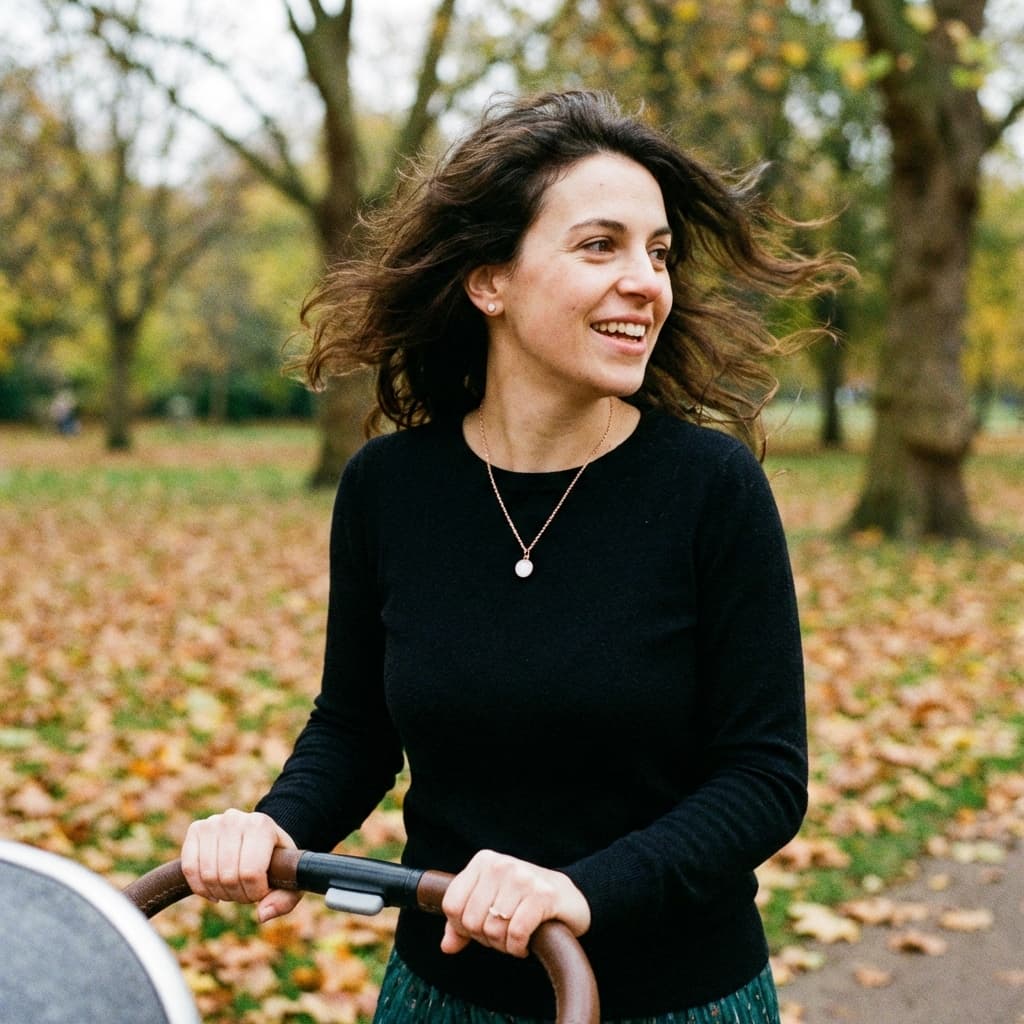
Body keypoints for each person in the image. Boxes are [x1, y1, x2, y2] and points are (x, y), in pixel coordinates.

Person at [181, 90, 851, 1022]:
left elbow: (763, 777)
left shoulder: (711, 488)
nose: (648, 281)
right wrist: (272, 825)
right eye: (599, 245)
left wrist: (579, 891)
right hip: (439, 996)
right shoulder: (389, 487)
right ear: (489, 281)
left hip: (673, 997)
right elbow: (356, 728)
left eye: (658, 252)